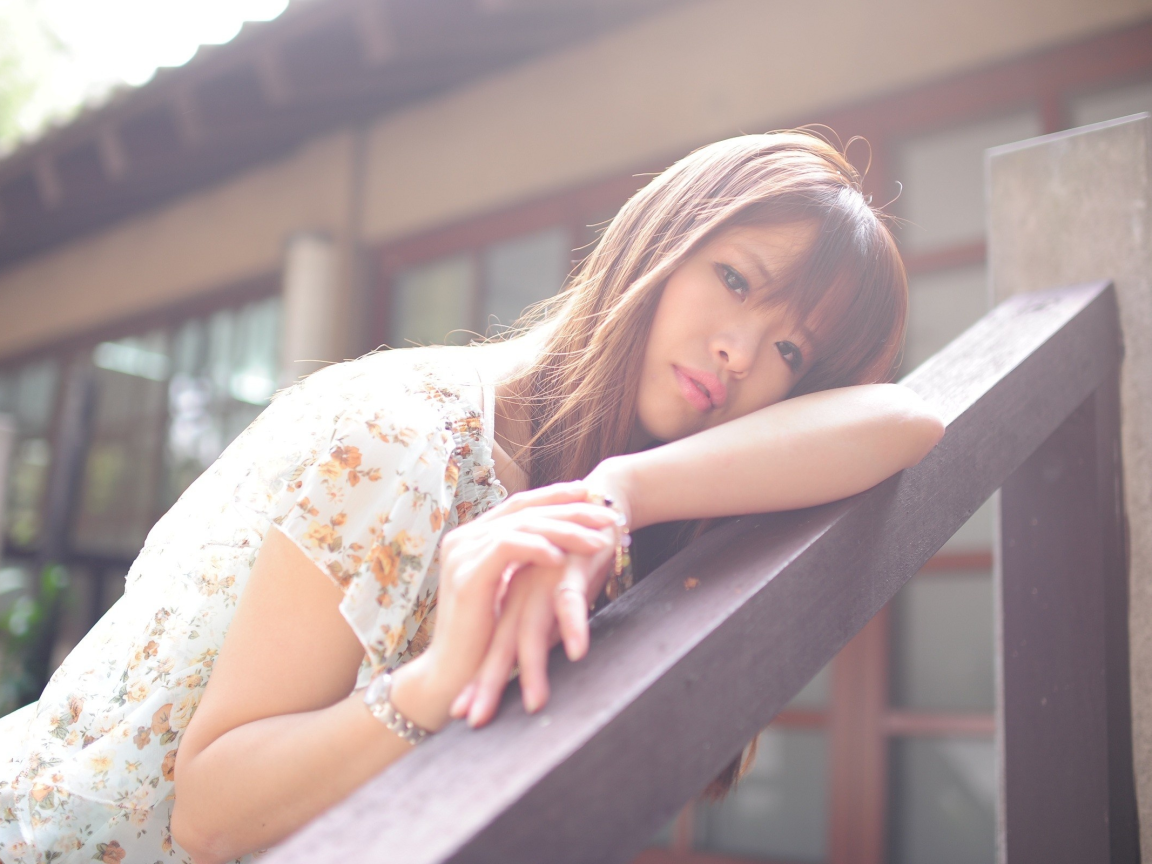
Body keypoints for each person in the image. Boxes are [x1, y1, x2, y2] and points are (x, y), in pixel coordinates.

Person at [0, 130, 944, 864]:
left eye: (791, 352)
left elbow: (905, 420)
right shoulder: (402, 436)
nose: (741, 352)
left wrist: (619, 492)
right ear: (660, 242)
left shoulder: (601, 510)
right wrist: (435, 683)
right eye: (734, 279)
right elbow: (209, 811)